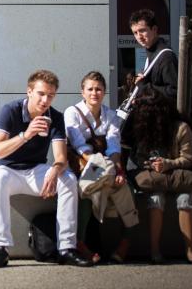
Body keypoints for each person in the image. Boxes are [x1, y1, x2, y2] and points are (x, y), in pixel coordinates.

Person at [0, 69, 92, 268]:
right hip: (8, 171)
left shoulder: (55, 117)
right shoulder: (11, 111)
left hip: (35, 171)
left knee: (68, 178)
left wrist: (56, 168)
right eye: (41, 94)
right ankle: (1, 249)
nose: (45, 100)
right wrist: (25, 135)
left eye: (50, 96)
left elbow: (60, 156)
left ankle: (67, 248)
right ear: (29, 92)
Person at [64, 71, 138, 264]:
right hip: (83, 164)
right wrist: (101, 169)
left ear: (104, 92)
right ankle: (79, 242)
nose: (94, 93)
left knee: (125, 188)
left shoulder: (111, 115)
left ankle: (126, 242)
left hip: (107, 164)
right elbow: (80, 147)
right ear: (82, 92)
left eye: (98, 89)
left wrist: (117, 170)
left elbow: (114, 146)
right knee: (88, 190)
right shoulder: (72, 113)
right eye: (90, 89)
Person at [130, 84, 192, 265]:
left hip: (179, 175)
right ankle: (155, 250)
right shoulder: (144, 129)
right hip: (157, 178)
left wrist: (168, 163)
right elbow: (138, 157)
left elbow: (189, 158)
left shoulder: (181, 128)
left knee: (185, 199)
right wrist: (150, 164)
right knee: (156, 199)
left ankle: (190, 249)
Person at [129, 8, 177, 102]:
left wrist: (145, 86)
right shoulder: (152, 54)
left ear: (154, 29)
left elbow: (174, 92)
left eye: (142, 30)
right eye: (135, 33)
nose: (139, 36)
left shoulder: (166, 57)